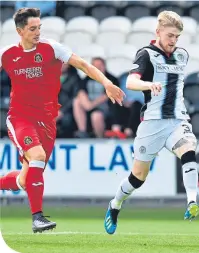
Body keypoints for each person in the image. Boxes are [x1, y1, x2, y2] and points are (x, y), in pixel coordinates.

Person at [0, 8, 124, 233]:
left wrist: (106, 83)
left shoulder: (52, 48)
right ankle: (37, 218)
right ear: (19, 31)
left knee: (24, 180)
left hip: (47, 122)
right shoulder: (6, 54)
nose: (38, 32)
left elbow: (84, 66)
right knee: (36, 156)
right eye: (32, 28)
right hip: (19, 118)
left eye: (39, 27)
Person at [104, 11, 199, 235]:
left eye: (176, 36)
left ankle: (192, 202)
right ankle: (115, 204)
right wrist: (148, 85)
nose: (173, 40)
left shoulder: (183, 55)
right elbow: (130, 81)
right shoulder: (146, 54)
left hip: (177, 120)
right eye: (169, 35)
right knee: (138, 177)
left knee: (189, 150)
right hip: (152, 124)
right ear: (158, 33)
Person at [73, 57, 119, 138]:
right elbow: (81, 92)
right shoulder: (86, 79)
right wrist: (87, 104)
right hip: (89, 106)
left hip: (104, 109)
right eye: (95, 66)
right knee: (76, 101)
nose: (98, 68)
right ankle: (82, 131)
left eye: (100, 65)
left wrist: (90, 105)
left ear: (104, 66)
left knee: (96, 116)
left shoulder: (112, 79)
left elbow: (105, 97)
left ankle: (99, 137)